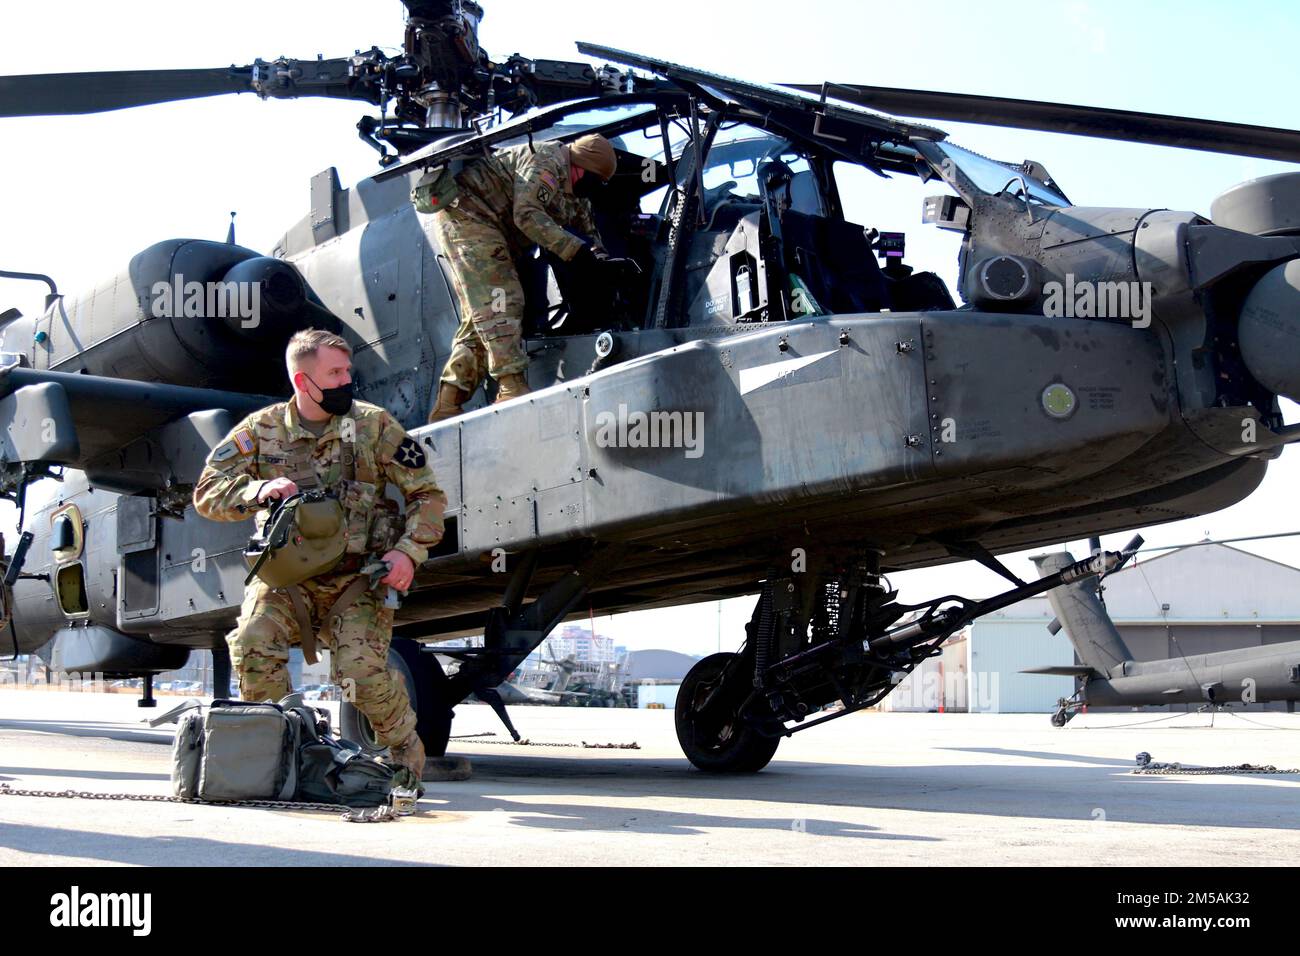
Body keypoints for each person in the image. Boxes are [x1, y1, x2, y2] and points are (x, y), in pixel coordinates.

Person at [193, 329, 447, 786]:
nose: (347, 380)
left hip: (359, 580)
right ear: (302, 381)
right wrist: (255, 490)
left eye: (348, 370)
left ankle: (407, 758)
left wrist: (408, 552)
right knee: (252, 643)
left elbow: (427, 495)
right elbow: (206, 493)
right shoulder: (260, 431)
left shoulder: (372, 425)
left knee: (359, 674)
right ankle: (283, 756)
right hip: (286, 578)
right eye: (335, 372)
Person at [416, 132, 626, 422]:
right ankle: (510, 386)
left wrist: (598, 256)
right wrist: (573, 251)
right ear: (581, 165)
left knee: (480, 323)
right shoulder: (548, 162)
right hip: (470, 219)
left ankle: (448, 401)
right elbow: (526, 214)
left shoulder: (575, 188)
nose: (592, 187)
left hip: (496, 229)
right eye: (593, 178)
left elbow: (586, 228)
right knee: (503, 301)